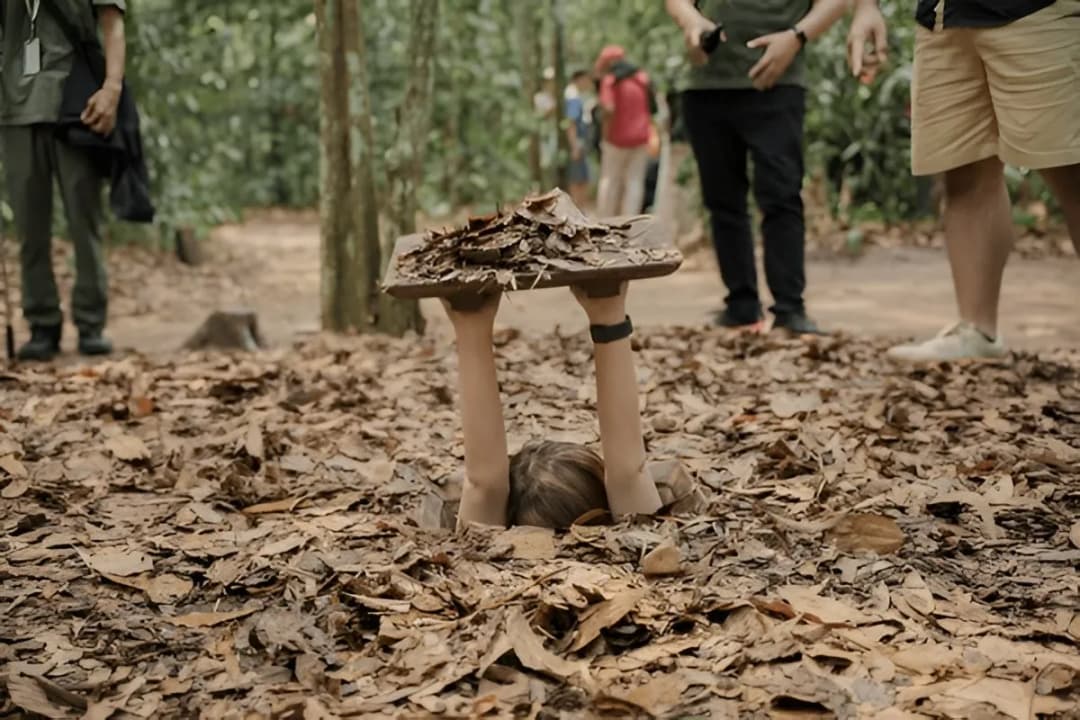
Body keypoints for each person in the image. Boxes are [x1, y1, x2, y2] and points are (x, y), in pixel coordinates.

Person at [875, 0, 1080, 362]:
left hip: (1039, 10)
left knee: (1071, 170)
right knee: (964, 167)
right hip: (943, 16)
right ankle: (977, 332)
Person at [666, 0, 848, 335]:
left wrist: (797, 37)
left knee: (781, 196)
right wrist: (692, 22)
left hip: (777, 83)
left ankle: (790, 308)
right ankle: (741, 306)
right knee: (723, 202)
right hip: (707, 85)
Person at [442, 284, 664, 528]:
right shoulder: (632, 540)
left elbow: (483, 486)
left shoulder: (491, 552)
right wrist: (609, 314)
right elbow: (628, 473)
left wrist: (470, 326)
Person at [1, 0, 129, 361]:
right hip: (15, 106)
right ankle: (42, 323)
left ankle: (91, 323)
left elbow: (112, 21)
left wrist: (112, 88)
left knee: (84, 217)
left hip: (76, 102)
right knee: (29, 225)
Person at [594, 45, 655, 218]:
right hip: (641, 136)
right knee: (634, 181)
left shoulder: (610, 81)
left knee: (609, 180)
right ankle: (630, 222)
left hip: (616, 139)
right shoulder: (641, 78)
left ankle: (605, 220)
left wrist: (604, 135)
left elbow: (609, 108)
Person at [564, 69, 594, 209]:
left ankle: (579, 209)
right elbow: (571, 122)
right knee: (578, 180)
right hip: (577, 143)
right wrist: (574, 146)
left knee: (581, 178)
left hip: (579, 143)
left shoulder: (574, 96)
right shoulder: (573, 97)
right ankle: (578, 209)